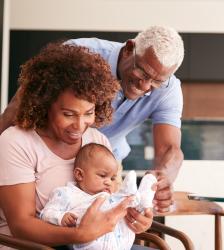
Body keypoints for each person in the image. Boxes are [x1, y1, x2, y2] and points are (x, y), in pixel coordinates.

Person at [0, 26, 185, 213]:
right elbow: (16, 112)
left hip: (106, 166)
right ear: (129, 49)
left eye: (157, 81)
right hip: (46, 158)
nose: (145, 86)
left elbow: (170, 149)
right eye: (143, 73)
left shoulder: (168, 90)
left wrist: (163, 178)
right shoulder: (77, 54)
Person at [0, 42, 153, 249]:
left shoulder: (97, 141)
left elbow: (110, 200)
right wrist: (79, 235)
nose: (80, 126)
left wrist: (135, 218)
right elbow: (21, 225)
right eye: (68, 114)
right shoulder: (16, 142)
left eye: (88, 113)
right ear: (45, 105)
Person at [40, 143, 157, 250]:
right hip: (87, 243)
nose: (109, 182)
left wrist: (136, 216)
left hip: (119, 243)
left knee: (125, 205)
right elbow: (46, 213)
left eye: (112, 178)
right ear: (79, 174)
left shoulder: (109, 196)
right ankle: (130, 195)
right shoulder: (66, 194)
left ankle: (140, 199)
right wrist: (61, 217)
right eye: (102, 175)